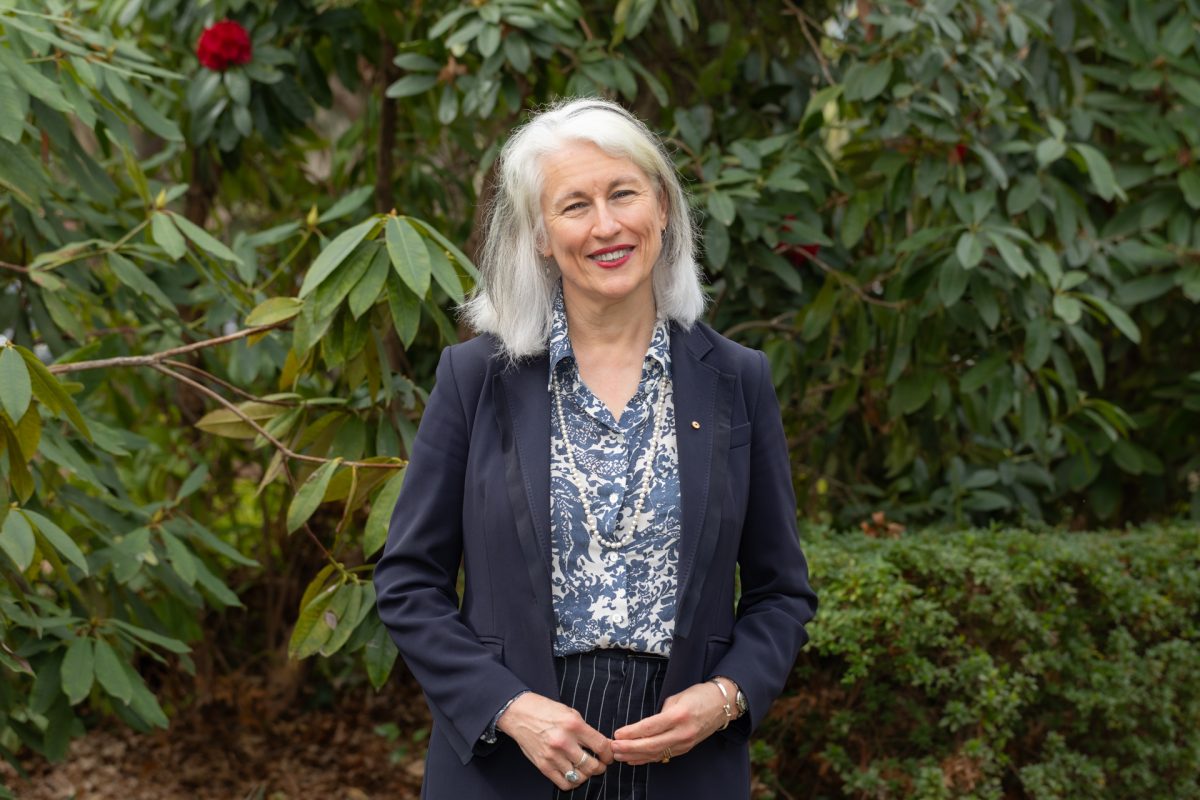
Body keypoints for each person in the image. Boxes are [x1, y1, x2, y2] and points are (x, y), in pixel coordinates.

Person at [373, 97, 817, 799]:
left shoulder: (738, 380)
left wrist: (728, 696)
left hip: (682, 766)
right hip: (511, 762)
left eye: (623, 194)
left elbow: (780, 592)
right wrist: (508, 709)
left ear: (663, 207)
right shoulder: (474, 379)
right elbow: (407, 584)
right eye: (575, 205)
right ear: (541, 236)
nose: (606, 225)